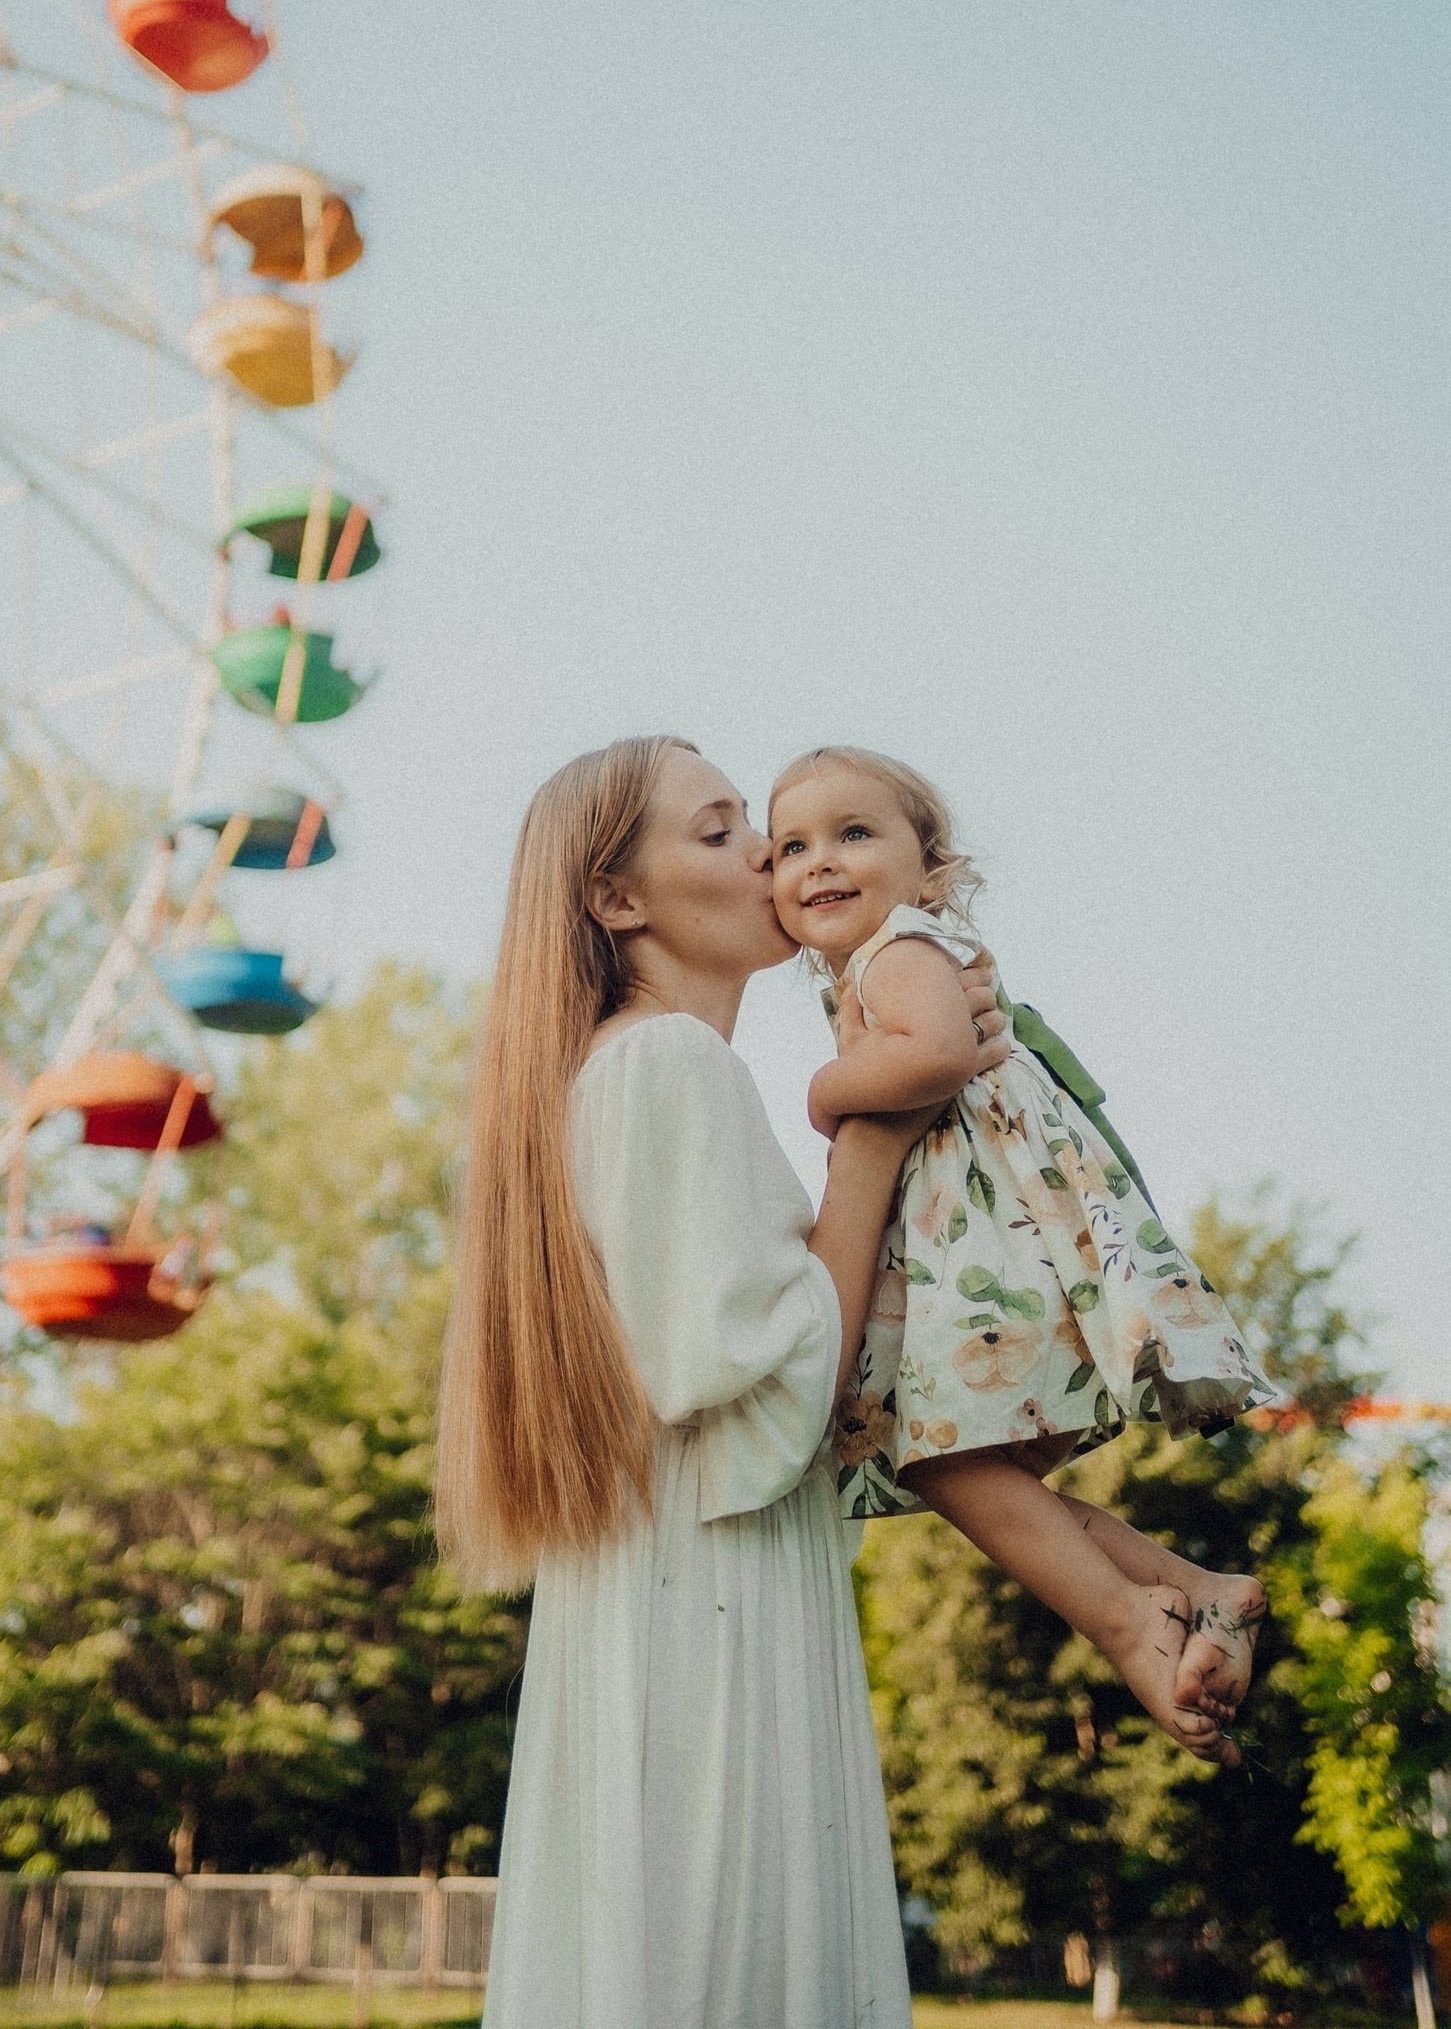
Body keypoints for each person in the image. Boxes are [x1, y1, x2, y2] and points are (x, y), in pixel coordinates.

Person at [437, 736, 1012, 2028]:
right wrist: (873, 1134)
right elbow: (779, 1382)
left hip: (656, 1598)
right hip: (715, 1614)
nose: (768, 854)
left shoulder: (615, 1075)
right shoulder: (668, 1066)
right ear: (614, 898)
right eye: (717, 833)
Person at [768, 743, 1273, 1763]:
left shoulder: (900, 949)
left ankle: (1129, 1622)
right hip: (982, 1256)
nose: (818, 860)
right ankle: (1193, 1590)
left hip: (993, 1258)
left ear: (929, 866)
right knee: (977, 1478)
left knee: (950, 1465)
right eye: (789, 847)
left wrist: (825, 1092)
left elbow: (939, 1055)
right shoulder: (882, 961)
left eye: (853, 833)